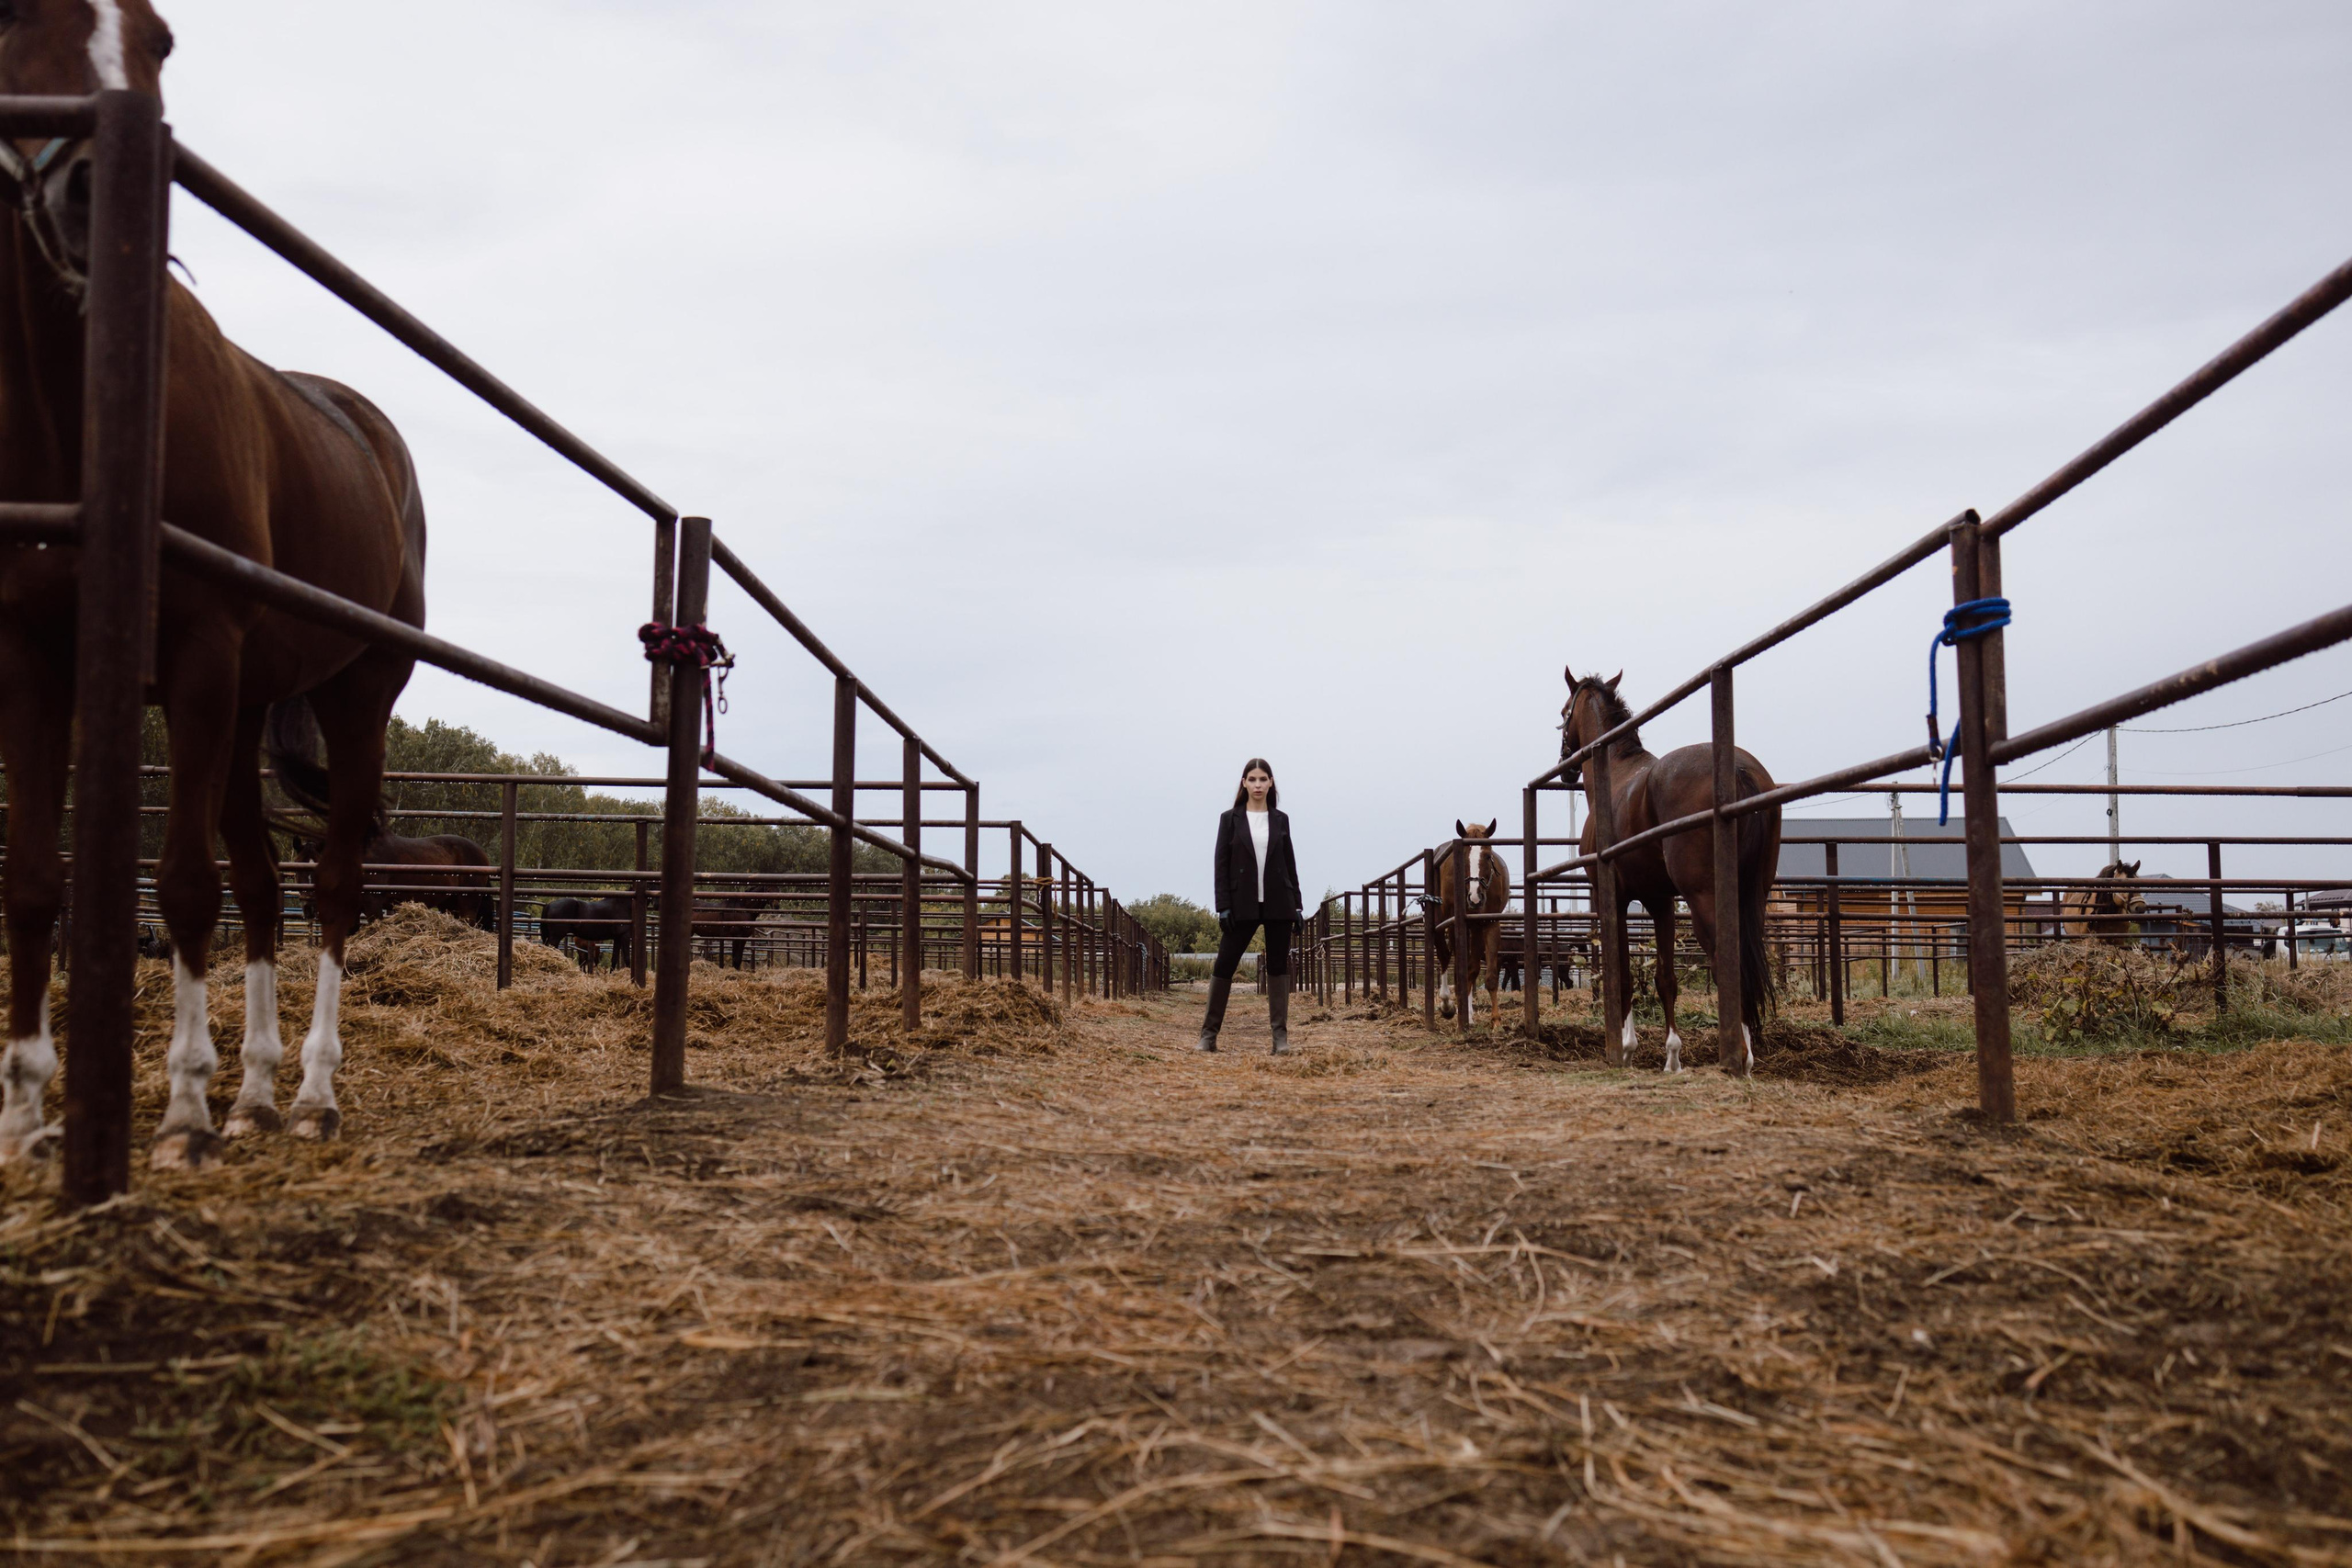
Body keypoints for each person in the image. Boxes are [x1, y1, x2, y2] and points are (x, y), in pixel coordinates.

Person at [1199, 758, 1303, 1055]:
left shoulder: (1281, 819)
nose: (1258, 785)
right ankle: (1208, 1036)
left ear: (1271, 783)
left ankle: (1280, 1039)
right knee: (1224, 965)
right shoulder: (1229, 819)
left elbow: (1289, 864)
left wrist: (1297, 905)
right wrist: (1223, 906)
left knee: (1278, 967)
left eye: (1263, 779)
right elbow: (1221, 865)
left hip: (1278, 902)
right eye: (1252, 779)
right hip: (1240, 904)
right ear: (1244, 783)